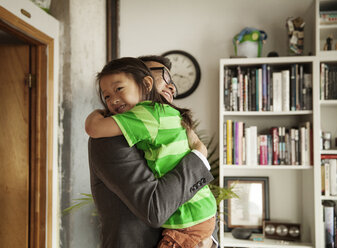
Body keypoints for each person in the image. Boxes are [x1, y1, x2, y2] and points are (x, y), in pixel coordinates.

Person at [86, 57, 218, 248]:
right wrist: (198, 155)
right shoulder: (110, 138)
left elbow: (199, 199)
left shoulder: (173, 125)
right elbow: (155, 209)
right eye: (162, 76)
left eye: (172, 82)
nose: (171, 87)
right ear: (145, 81)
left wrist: (207, 242)